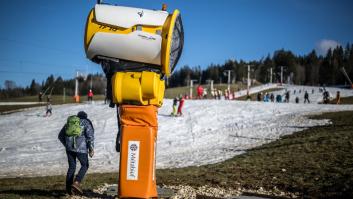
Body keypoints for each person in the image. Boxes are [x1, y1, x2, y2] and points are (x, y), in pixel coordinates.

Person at [58, 111, 94, 195]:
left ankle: (68, 190)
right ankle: (77, 182)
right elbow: (90, 137)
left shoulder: (70, 122)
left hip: (69, 149)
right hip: (81, 149)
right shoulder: (86, 122)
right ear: (85, 116)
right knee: (85, 165)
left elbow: (60, 136)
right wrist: (91, 149)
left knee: (72, 167)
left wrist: (67, 145)